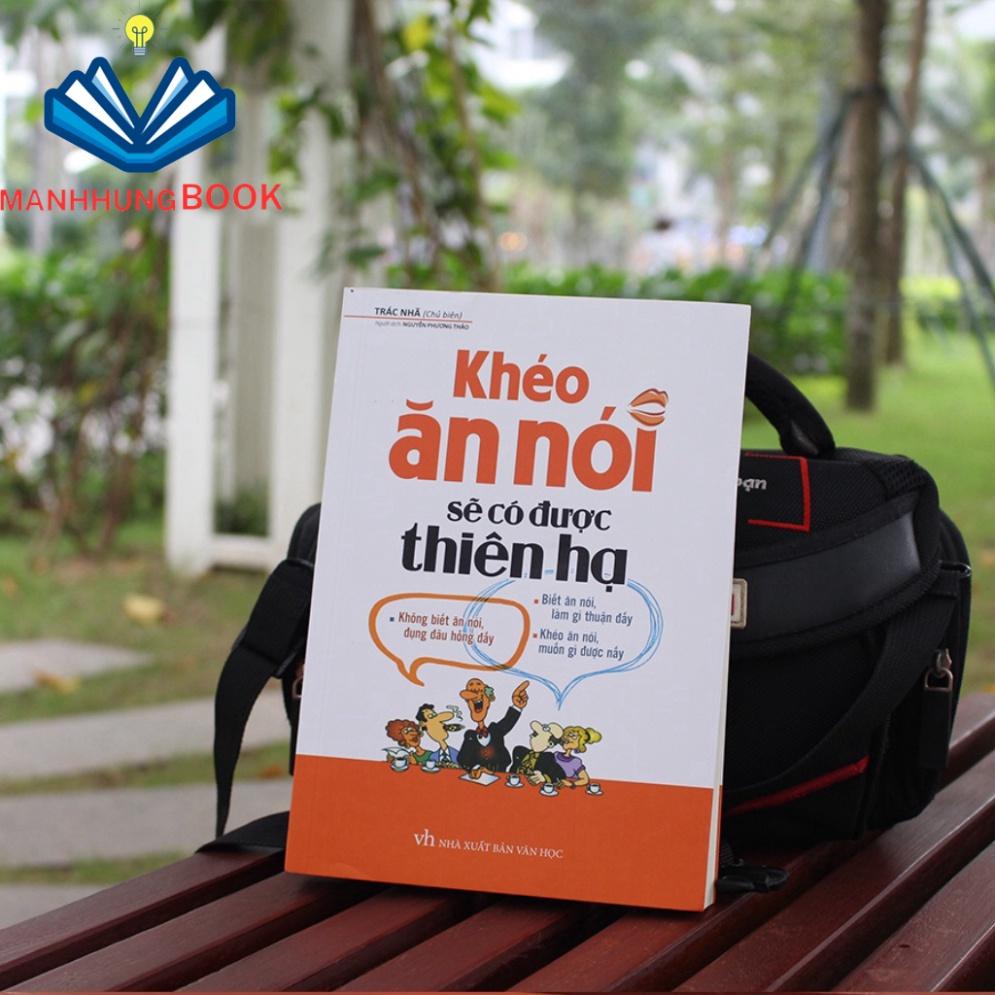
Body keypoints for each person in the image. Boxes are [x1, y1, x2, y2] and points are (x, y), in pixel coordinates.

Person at [458, 677, 529, 775]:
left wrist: (517, 706)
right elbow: (462, 759)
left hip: (499, 777)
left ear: (488, 703)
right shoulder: (470, 736)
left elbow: (507, 722)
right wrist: (475, 768)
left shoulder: (495, 731)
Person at [511, 720, 565, 785]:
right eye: (534, 735)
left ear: (550, 744)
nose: (533, 738)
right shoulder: (519, 751)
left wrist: (544, 778)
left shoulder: (547, 758)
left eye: (541, 738)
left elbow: (561, 775)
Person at [416, 703, 463, 767]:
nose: (442, 724)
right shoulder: (432, 758)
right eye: (430, 716)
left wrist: (434, 719)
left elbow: (450, 715)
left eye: (435, 715)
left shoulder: (458, 755)